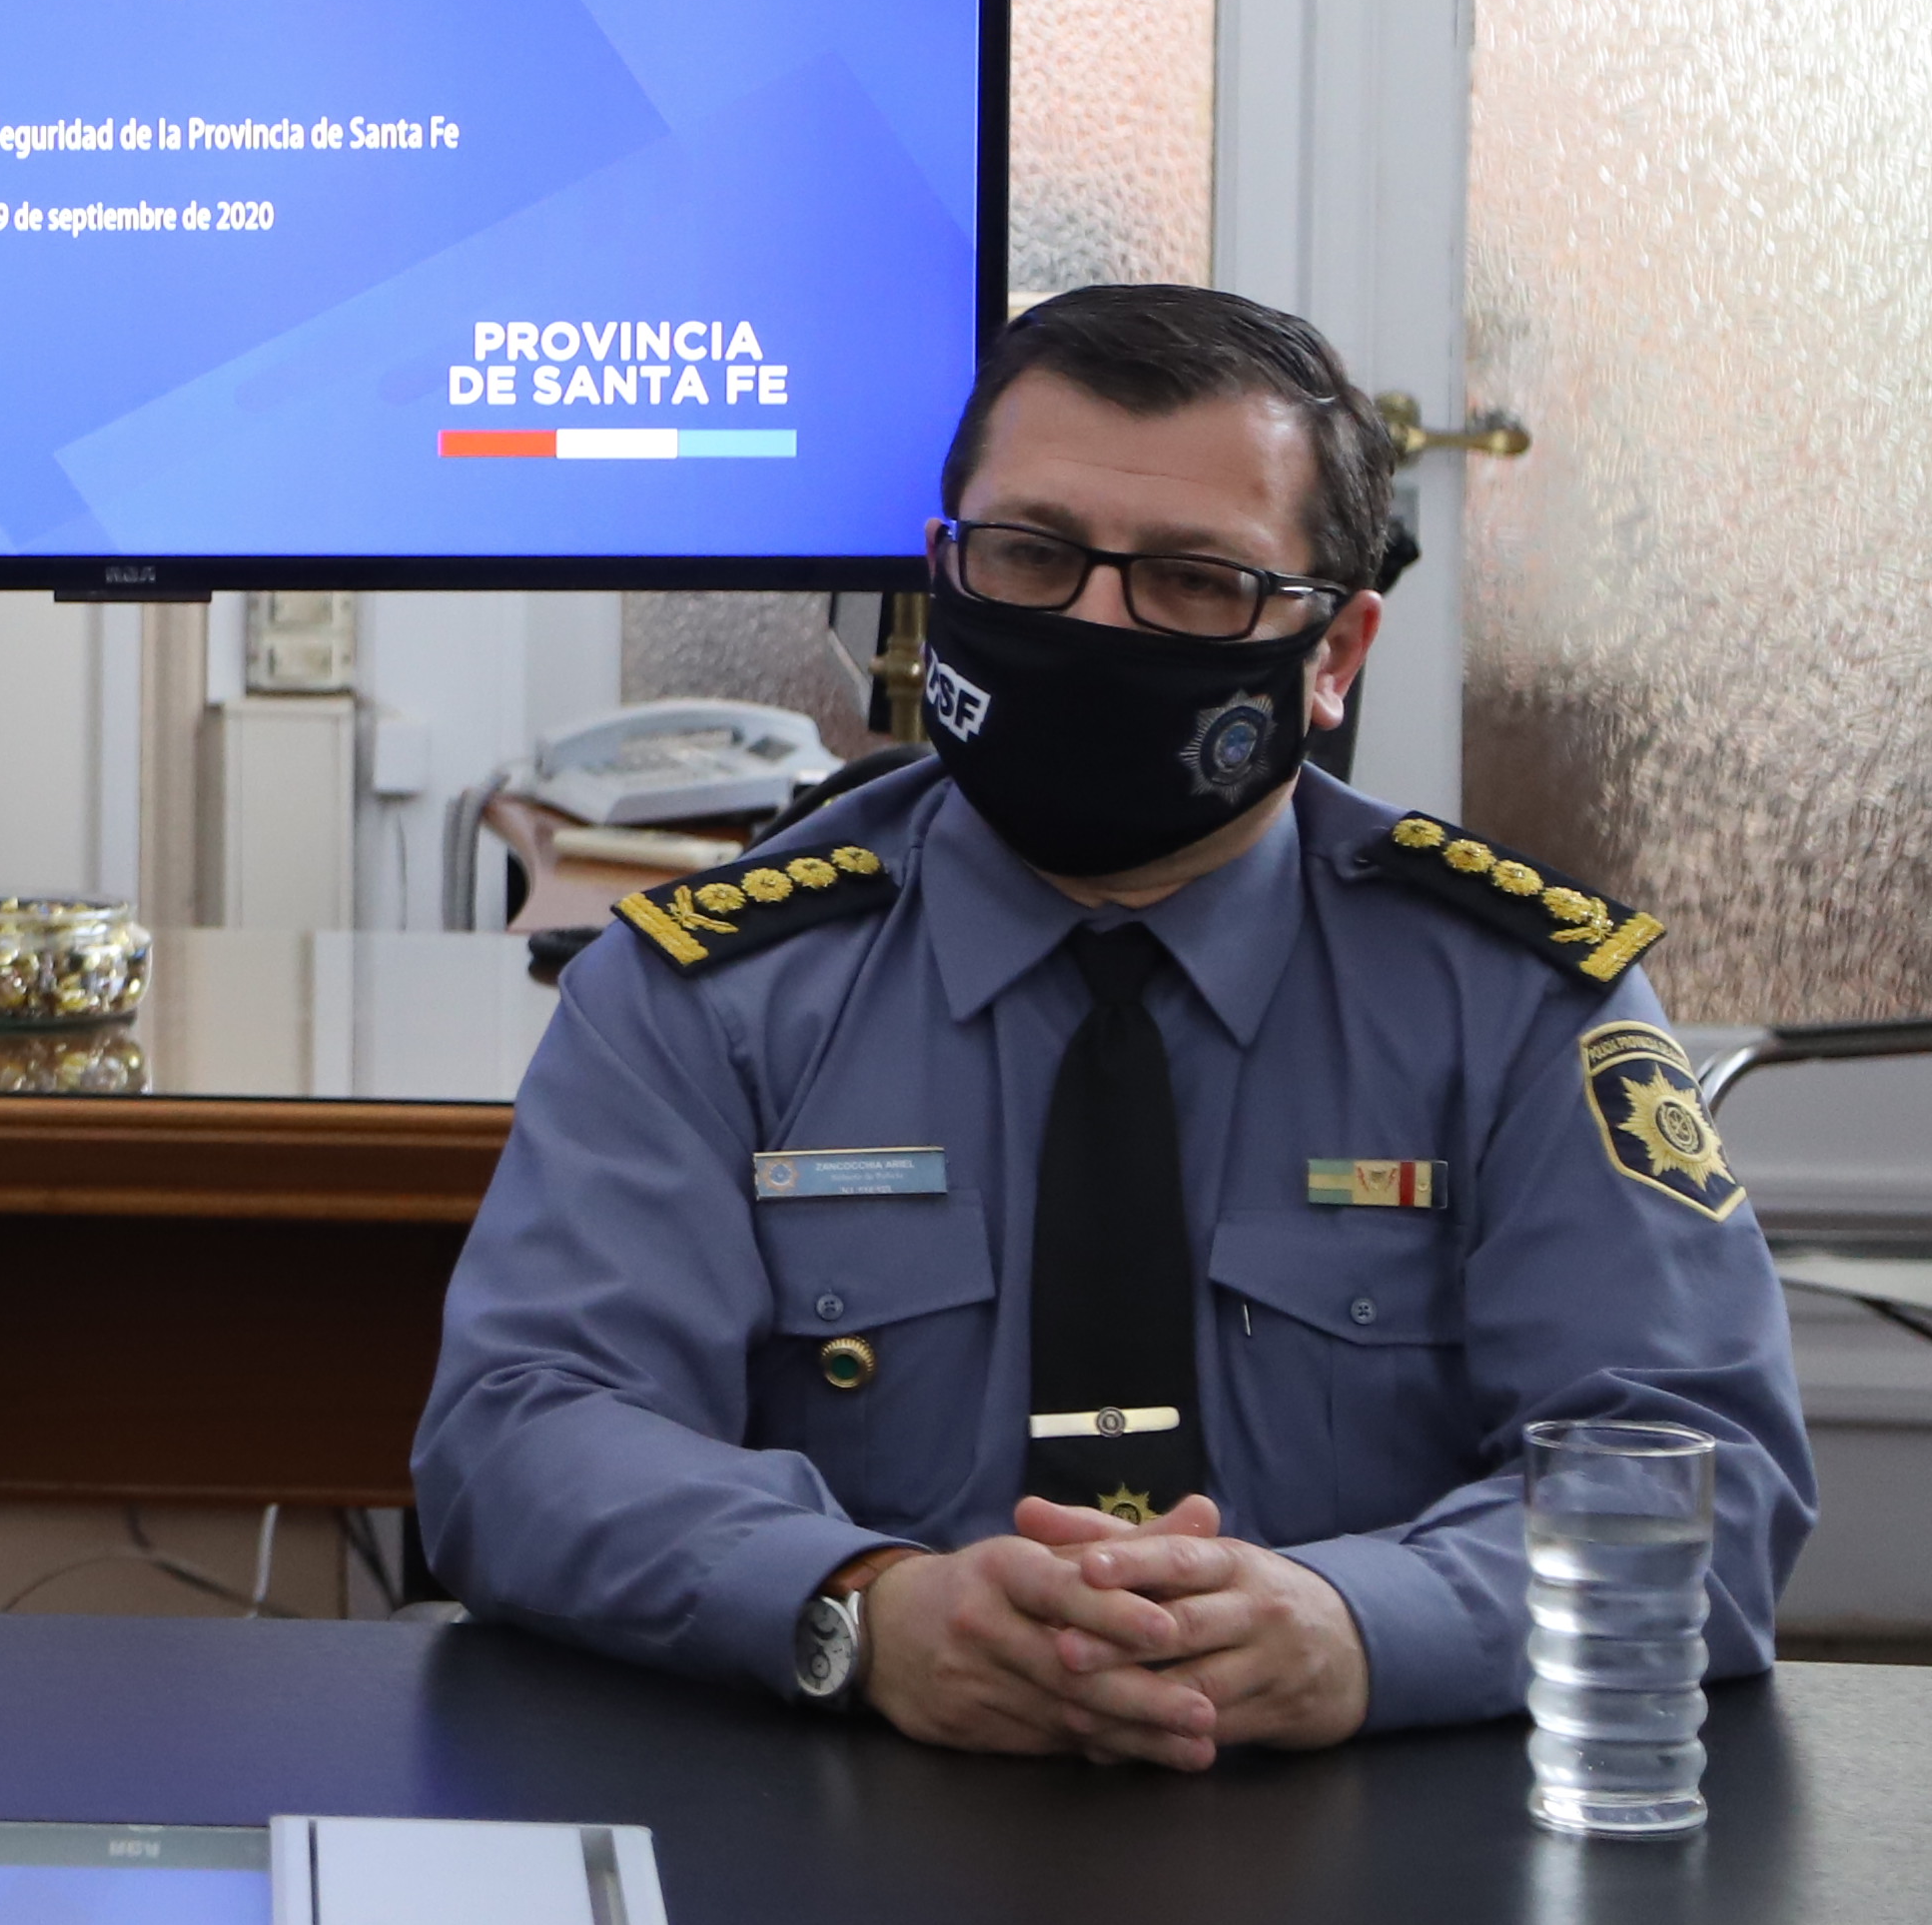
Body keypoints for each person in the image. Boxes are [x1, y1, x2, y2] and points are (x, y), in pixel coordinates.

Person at [415, 282, 1811, 1762]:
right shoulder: (707, 991)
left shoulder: (1522, 1001)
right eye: (1032, 555)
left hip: (1381, 1827)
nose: (1092, 625)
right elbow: (523, 1433)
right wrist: (858, 1606)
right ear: (944, 572)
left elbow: (1700, 1475)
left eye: (1195, 582)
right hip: (846, 1809)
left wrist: (1359, 1629)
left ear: (1335, 656)